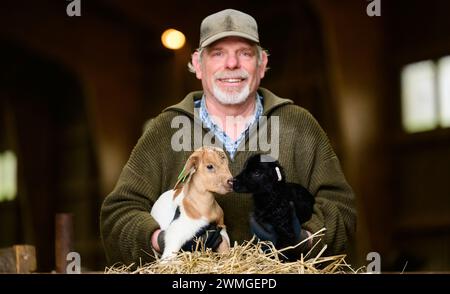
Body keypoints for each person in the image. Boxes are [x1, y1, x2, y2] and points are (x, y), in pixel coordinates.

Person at [100, 8, 356, 266]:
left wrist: (303, 240)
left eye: (244, 53)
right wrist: (163, 239)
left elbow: (341, 207)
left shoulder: (299, 125)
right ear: (198, 65)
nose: (231, 64)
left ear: (262, 64)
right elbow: (118, 214)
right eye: (218, 53)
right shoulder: (164, 130)